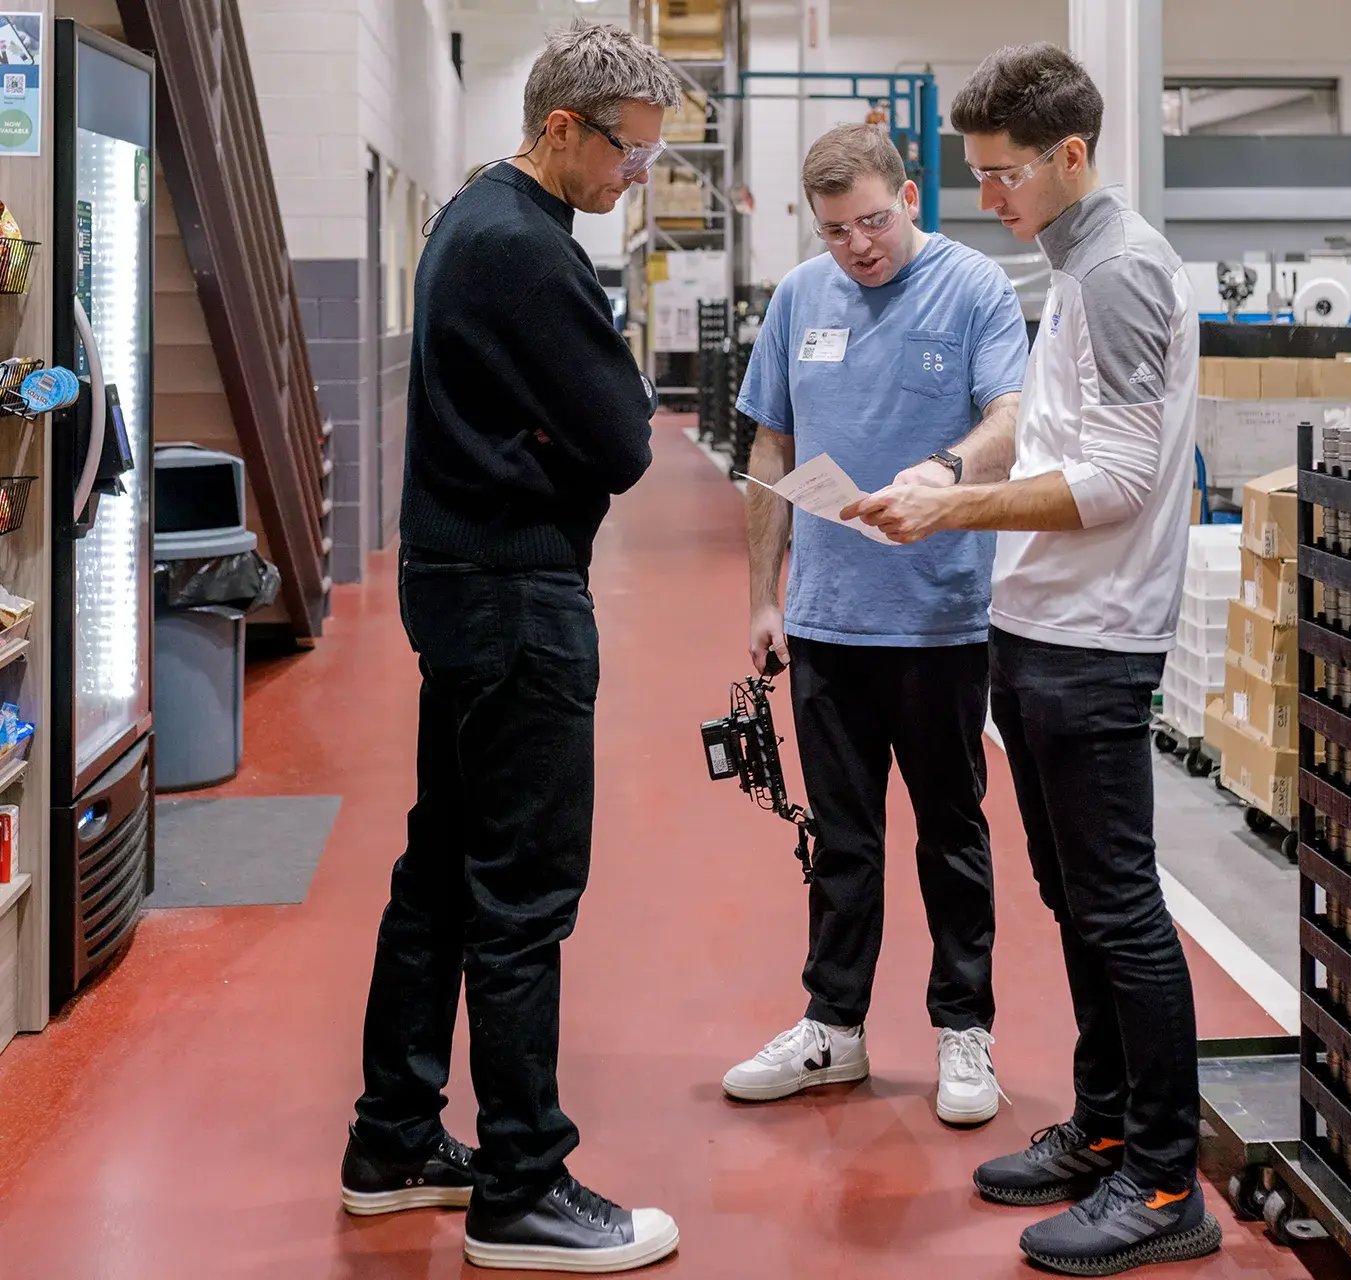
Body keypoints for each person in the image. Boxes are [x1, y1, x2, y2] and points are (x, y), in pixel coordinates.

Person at [846, 43, 1221, 1278]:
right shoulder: (1073, 265)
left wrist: (950, 518)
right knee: (1077, 905)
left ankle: (1164, 1180)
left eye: (1003, 176)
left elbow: (1114, 482)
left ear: (1069, 156)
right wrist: (955, 468)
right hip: (1043, 628)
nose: (986, 199)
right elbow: (1048, 424)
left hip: (1093, 641)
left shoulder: (1116, 274)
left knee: (1117, 907)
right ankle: (1107, 1128)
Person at [339, 23, 683, 1275]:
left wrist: (574, 430)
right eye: (626, 154)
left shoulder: (471, 223)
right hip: (517, 598)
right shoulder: (525, 251)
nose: (632, 178)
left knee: (442, 869)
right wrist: (580, 431)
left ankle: (393, 1139)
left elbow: (590, 429)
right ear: (561, 127)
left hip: (459, 585)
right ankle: (521, 1184)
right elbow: (628, 441)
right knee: (524, 892)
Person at [723, 123, 1028, 1126]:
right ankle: (833, 1028)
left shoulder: (973, 286)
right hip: (825, 625)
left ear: (907, 194)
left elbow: (1010, 422)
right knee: (841, 840)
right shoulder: (800, 298)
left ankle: (962, 1029)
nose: (858, 245)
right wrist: (766, 597)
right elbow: (770, 444)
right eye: (835, 229)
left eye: (871, 220)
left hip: (940, 622)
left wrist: (944, 471)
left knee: (950, 832)